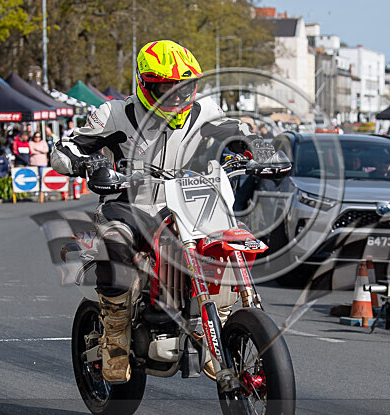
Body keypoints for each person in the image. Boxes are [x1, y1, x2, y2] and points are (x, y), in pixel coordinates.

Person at [51, 39, 269, 384]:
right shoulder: (115, 114)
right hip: (130, 207)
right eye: (164, 88)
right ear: (144, 84)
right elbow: (64, 149)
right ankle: (117, 335)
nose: (176, 97)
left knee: (229, 244)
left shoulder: (206, 111)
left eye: (182, 88)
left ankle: (223, 327)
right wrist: (90, 163)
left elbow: (237, 132)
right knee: (115, 245)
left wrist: (260, 150)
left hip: (192, 206)